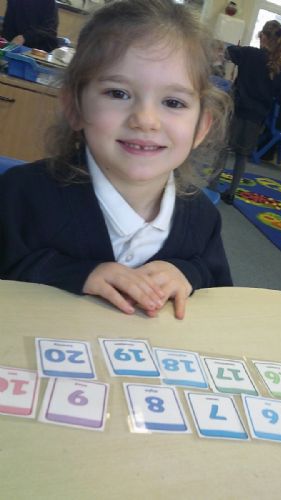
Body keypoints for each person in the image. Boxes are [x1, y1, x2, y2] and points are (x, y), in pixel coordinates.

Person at [0, 0, 232, 319]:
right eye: (118, 93)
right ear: (74, 107)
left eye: (173, 102)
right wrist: (74, 275)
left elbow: (219, 292)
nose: (146, 120)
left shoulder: (202, 219)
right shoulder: (21, 195)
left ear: (201, 127)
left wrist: (188, 274)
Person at [220, 20, 281, 204]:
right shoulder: (280, 69)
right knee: (242, 155)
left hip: (237, 109)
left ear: (262, 37)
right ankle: (232, 192)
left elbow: (228, 52)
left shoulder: (249, 53)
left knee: (223, 148)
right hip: (256, 117)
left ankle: (213, 184)